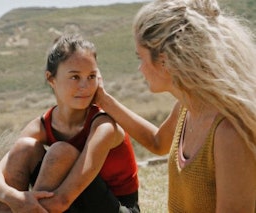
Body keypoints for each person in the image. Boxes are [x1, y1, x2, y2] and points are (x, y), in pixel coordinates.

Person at [95, 0, 256, 212]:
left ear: (164, 62)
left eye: (140, 57)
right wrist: (103, 100)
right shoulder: (186, 107)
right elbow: (157, 141)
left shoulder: (229, 132)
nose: (140, 68)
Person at [0, 34, 140, 213]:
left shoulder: (103, 126)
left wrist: (26, 207)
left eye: (91, 76)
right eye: (75, 77)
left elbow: (61, 201)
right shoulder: (42, 125)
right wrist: (14, 197)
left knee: (60, 152)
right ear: (51, 79)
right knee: (23, 148)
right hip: (73, 205)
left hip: (117, 209)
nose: (85, 86)